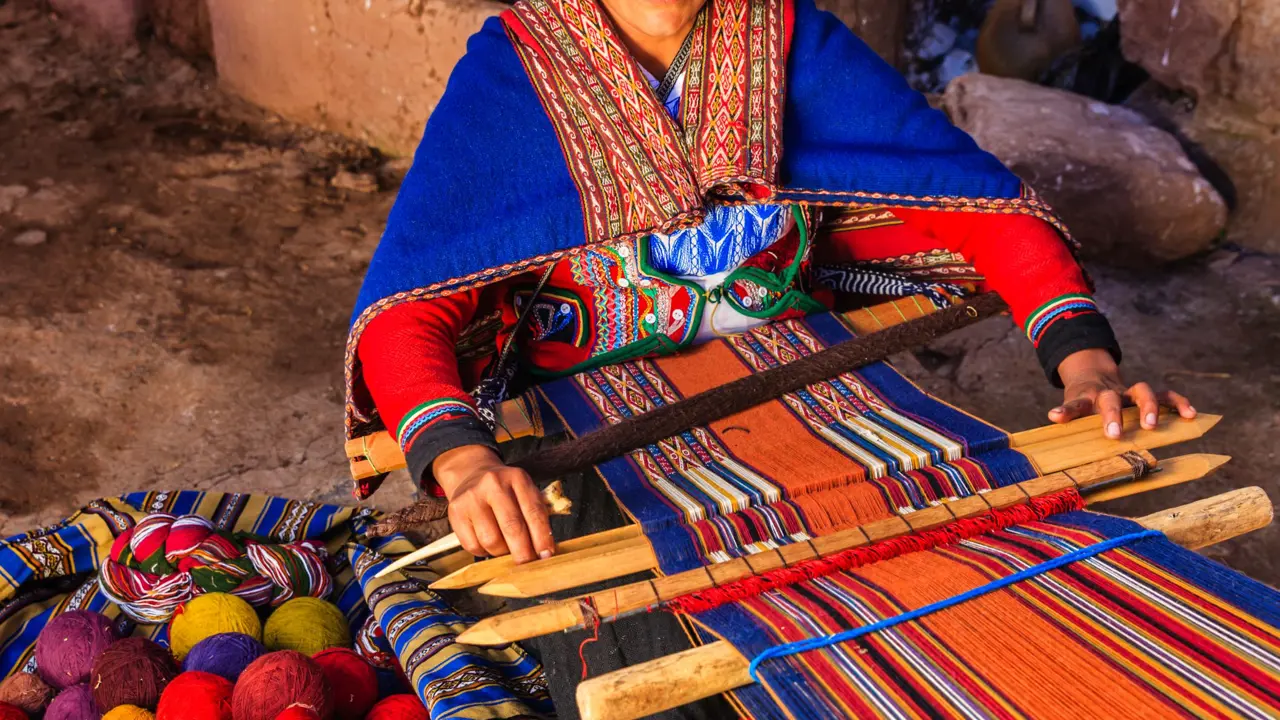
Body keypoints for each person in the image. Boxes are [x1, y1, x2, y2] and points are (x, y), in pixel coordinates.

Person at [346, 0, 1195, 714]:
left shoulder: (787, 38)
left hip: (818, 403)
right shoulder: (513, 74)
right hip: (602, 437)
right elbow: (408, 308)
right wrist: (461, 462)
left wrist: (1087, 365)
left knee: (963, 633)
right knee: (660, 669)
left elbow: (978, 205)